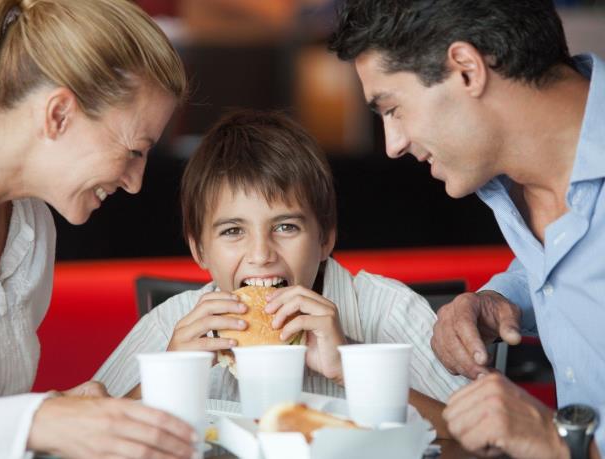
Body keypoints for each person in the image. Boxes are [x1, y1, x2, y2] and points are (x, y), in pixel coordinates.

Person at [0, 0, 198, 458]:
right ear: (59, 115)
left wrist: (62, 414)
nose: (135, 182)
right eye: (134, 150)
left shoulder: (32, 226)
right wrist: (39, 420)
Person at [329, 0, 604, 457]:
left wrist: (557, 443)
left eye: (393, 109)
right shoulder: (518, 179)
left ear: (466, 70)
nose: (393, 145)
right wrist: (502, 298)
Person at [94, 109, 468, 437]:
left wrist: (350, 370)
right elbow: (83, 434)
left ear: (325, 238)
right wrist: (167, 378)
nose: (261, 255)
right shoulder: (171, 324)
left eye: (286, 227)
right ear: (200, 250)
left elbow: (481, 435)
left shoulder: (387, 310)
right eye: (233, 231)